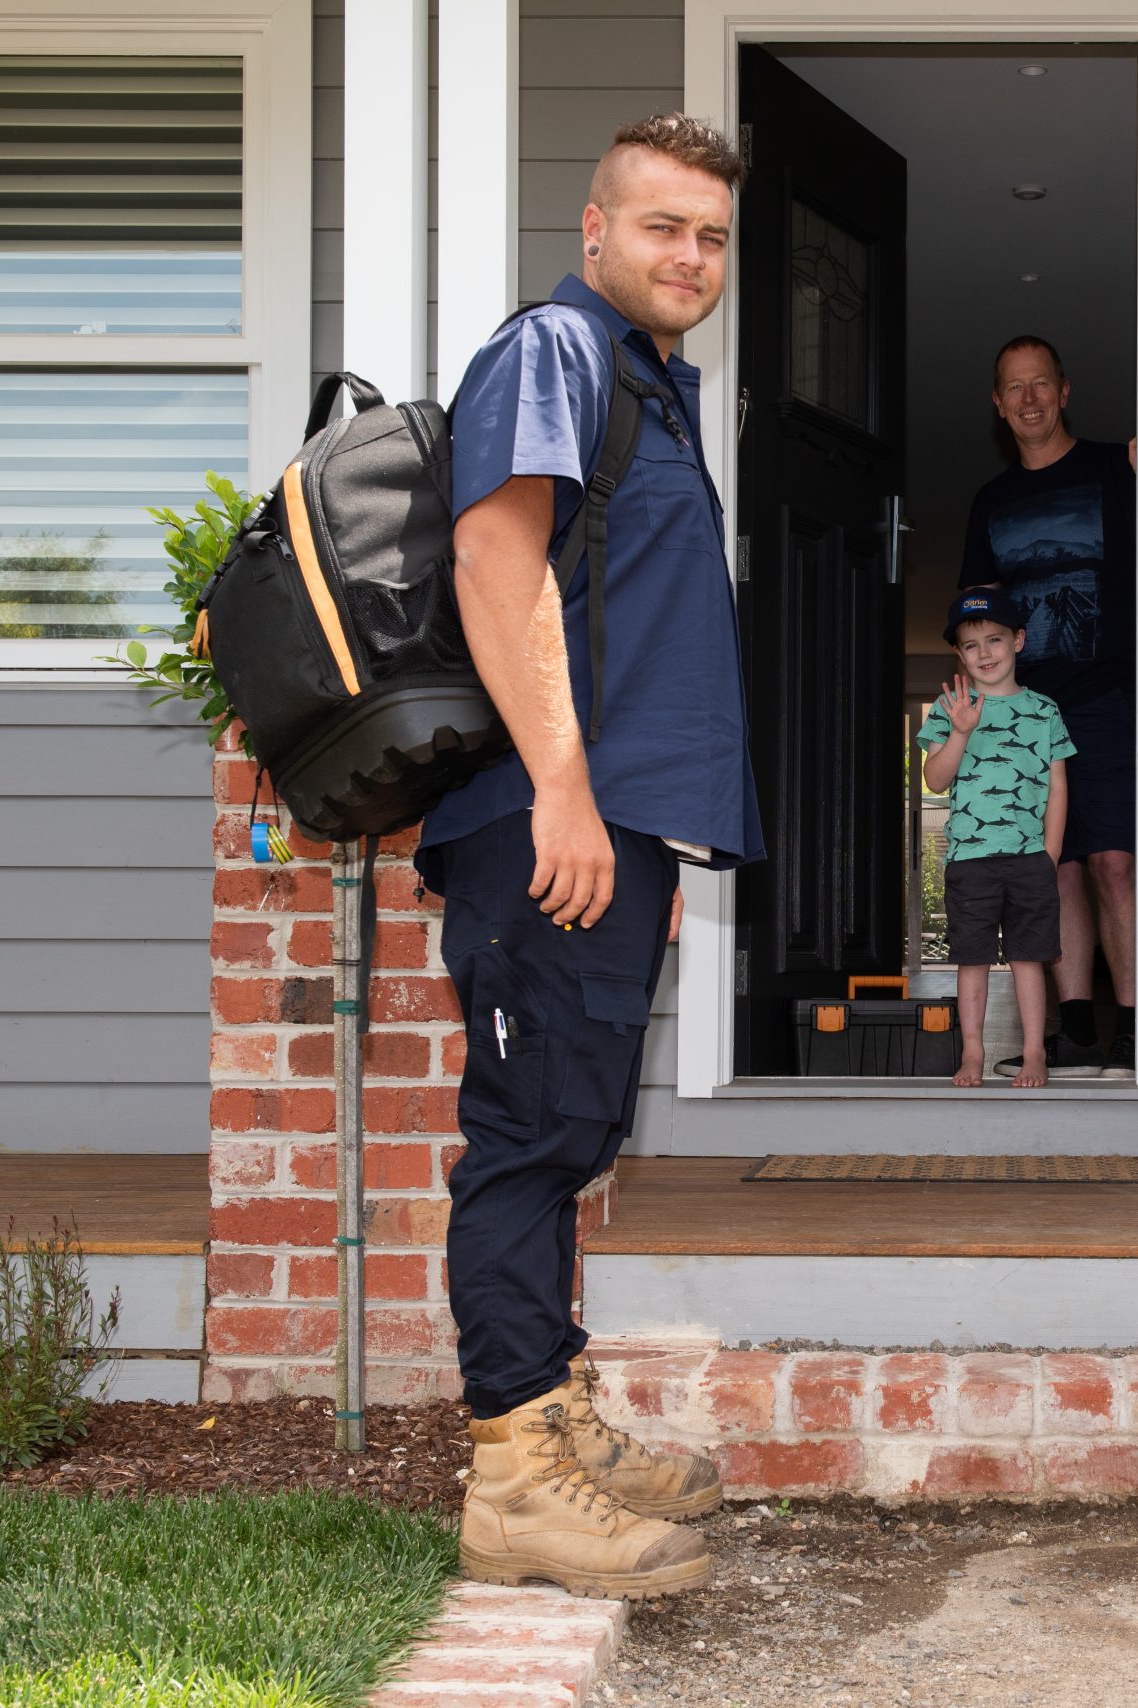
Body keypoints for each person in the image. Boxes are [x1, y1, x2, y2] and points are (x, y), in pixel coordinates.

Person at [417, 113, 763, 1602]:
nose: (689, 256)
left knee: (571, 1127)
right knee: (527, 1136)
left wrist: (630, 835)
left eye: (712, 237)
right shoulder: (555, 352)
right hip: (542, 821)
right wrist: (561, 791)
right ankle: (513, 1479)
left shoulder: (646, 386)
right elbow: (494, 559)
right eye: (662, 227)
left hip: (605, 829)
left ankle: (550, 1421)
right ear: (595, 229)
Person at [958, 336, 1137, 1075]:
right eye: (1013, 388)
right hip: (1028, 712)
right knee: (1049, 866)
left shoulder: (1113, 471)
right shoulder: (991, 503)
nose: (1029, 398)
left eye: (1041, 384)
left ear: (1063, 391)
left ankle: (1131, 1030)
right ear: (998, 406)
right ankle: (1074, 1033)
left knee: (1114, 864)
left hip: (1110, 698)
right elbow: (973, 614)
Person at [918, 589, 1074, 1088]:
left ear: (1019, 641)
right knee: (973, 960)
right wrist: (961, 731)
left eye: (995, 640)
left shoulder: (1045, 710)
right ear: (959, 654)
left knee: (1030, 958)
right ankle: (972, 1055)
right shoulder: (950, 707)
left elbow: (1057, 786)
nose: (984, 653)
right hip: (971, 860)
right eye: (970, 645)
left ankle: (1033, 1054)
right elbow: (936, 780)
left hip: (1030, 858)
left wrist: (1050, 854)